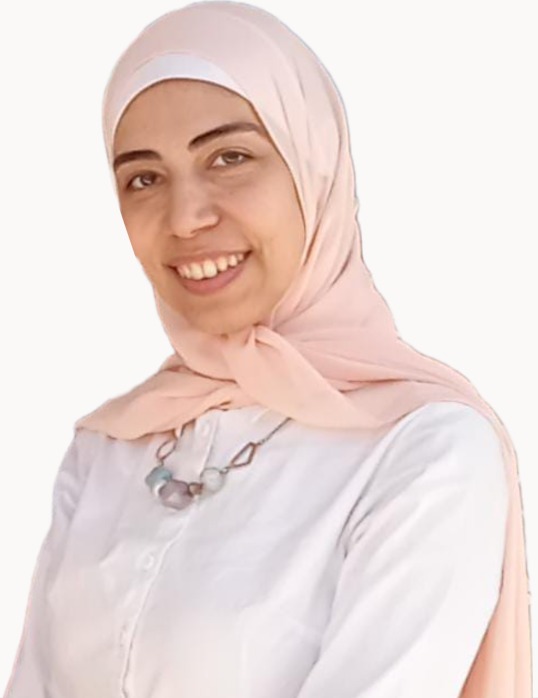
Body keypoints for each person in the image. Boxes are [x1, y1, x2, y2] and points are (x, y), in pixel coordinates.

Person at [3, 2, 532, 697]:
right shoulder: (107, 451)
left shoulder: (424, 452)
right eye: (143, 178)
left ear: (314, 170)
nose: (185, 218)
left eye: (230, 158)